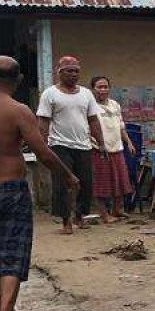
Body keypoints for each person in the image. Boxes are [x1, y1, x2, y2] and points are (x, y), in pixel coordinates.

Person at [0, 56, 80, 311]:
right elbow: (43, 153)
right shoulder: (18, 111)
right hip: (11, 190)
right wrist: (68, 176)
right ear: (19, 80)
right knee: (13, 255)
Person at [37, 55, 102, 234]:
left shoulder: (86, 94)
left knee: (86, 183)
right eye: (69, 71)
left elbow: (93, 119)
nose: (73, 74)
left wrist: (101, 142)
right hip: (59, 145)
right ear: (59, 72)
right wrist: (42, 145)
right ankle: (66, 221)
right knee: (62, 183)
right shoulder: (50, 94)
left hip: (84, 145)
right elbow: (43, 121)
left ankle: (79, 216)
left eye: (76, 71)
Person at [89, 76, 134, 222]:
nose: (103, 90)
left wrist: (129, 142)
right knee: (102, 183)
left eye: (105, 87)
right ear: (93, 89)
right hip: (99, 149)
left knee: (120, 180)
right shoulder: (90, 106)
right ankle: (104, 214)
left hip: (117, 148)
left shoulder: (115, 105)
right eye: (99, 87)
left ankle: (117, 210)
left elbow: (121, 127)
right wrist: (97, 143)